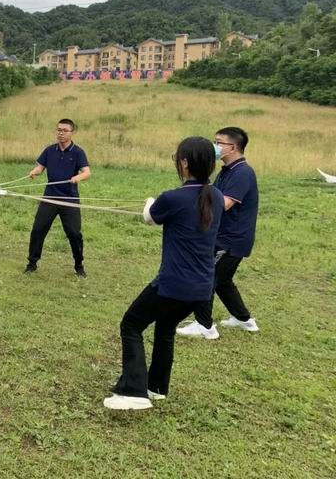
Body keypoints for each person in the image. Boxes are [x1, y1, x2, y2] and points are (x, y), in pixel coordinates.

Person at [104, 137, 224, 410]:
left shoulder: (173, 197)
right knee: (165, 328)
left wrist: (150, 202)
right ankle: (156, 387)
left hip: (172, 284)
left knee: (131, 324)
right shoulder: (216, 196)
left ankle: (133, 391)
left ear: (184, 163)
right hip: (202, 288)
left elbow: (150, 217)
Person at [176, 127, 260, 339]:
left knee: (206, 277)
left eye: (218, 142)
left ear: (232, 147)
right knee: (223, 280)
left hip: (230, 239)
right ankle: (244, 319)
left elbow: (224, 203)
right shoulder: (227, 170)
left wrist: (189, 202)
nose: (214, 146)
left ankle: (204, 326)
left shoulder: (242, 173)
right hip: (225, 236)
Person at [24, 118, 91, 277]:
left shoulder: (78, 152)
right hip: (50, 197)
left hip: (69, 199)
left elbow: (87, 172)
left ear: (71, 133)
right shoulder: (49, 150)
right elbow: (40, 167)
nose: (61, 133)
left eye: (65, 130)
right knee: (38, 229)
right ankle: (32, 263)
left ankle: (79, 265)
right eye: (59, 130)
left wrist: (77, 178)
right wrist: (34, 172)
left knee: (74, 233)